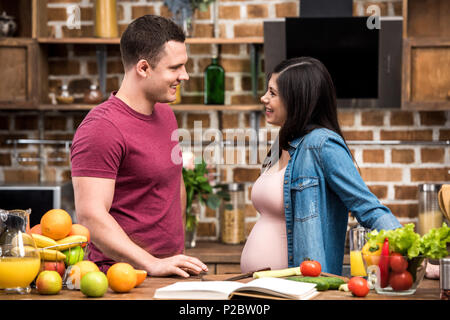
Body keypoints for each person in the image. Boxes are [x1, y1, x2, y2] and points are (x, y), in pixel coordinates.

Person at [70, 15, 208, 277]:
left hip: (168, 270)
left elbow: (173, 183)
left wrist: (171, 256)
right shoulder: (101, 128)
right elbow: (90, 216)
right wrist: (151, 262)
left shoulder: (165, 114)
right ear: (143, 68)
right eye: (175, 67)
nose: (185, 75)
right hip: (120, 278)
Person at [240, 57, 402, 275]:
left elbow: (367, 207)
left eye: (273, 93)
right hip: (259, 286)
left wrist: (414, 253)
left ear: (297, 100)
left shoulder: (322, 145)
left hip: (300, 289)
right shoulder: (283, 144)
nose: (263, 98)